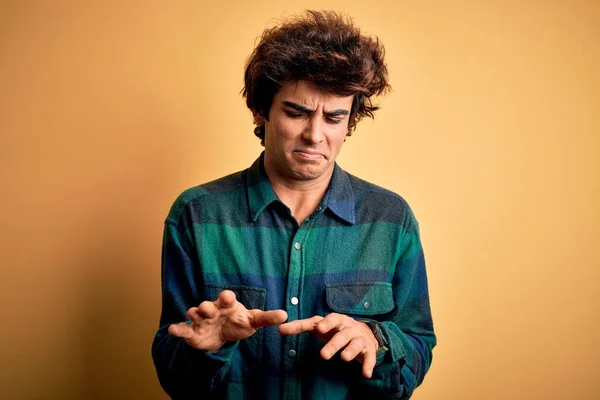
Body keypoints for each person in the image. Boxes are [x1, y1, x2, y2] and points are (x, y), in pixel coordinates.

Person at [152, 10, 436, 400]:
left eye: (334, 118)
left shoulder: (391, 220)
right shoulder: (196, 215)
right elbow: (176, 378)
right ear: (261, 110)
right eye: (296, 112)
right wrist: (209, 347)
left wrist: (378, 343)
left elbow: (418, 349)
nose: (315, 135)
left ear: (349, 123)